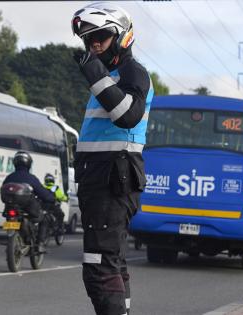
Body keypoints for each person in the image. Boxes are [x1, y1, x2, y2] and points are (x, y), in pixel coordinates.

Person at [71, 3, 154, 315]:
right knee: (112, 264)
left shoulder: (133, 73)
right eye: (88, 40)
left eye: (100, 37)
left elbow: (127, 116)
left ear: (122, 36)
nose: (93, 45)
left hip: (112, 179)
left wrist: (94, 74)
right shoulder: (112, 76)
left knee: (99, 267)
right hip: (102, 179)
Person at [2, 151, 55, 253]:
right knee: (44, 218)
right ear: (28, 163)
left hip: (10, 208)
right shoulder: (31, 178)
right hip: (28, 208)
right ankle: (40, 244)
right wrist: (51, 198)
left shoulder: (9, 177)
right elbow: (43, 193)